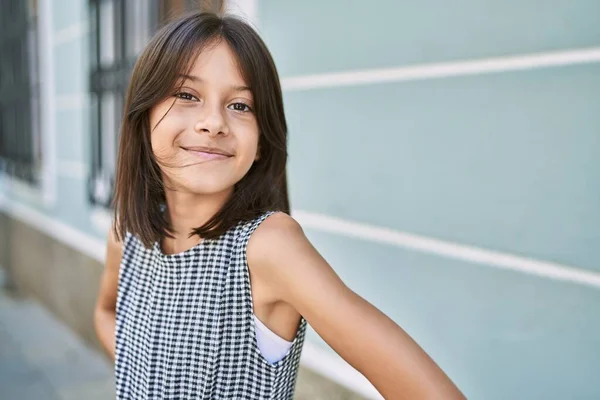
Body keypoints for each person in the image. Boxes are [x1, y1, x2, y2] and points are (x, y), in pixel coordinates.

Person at [93, 11, 465, 400]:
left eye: (240, 105)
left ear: (261, 142)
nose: (213, 122)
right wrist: (147, 373)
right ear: (144, 116)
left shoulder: (268, 247)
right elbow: (106, 314)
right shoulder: (128, 234)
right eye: (187, 96)